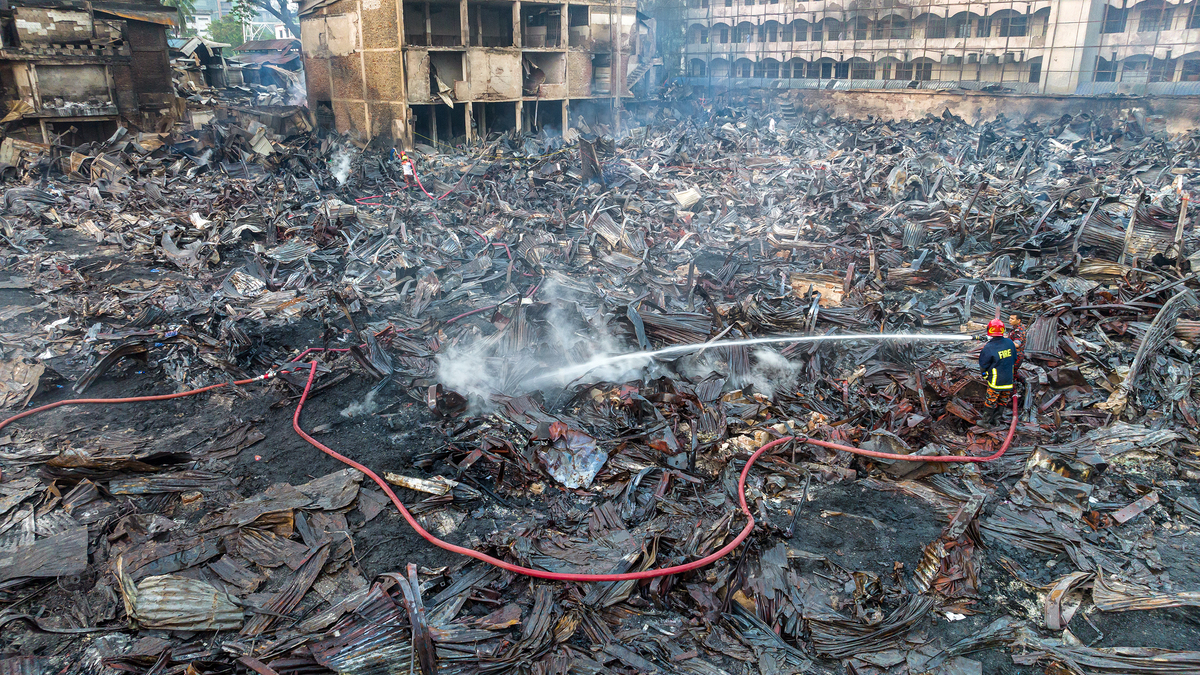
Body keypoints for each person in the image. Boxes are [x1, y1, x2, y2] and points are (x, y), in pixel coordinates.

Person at [979, 318, 1017, 427]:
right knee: (1003, 400)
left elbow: (983, 364)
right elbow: (1014, 358)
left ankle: (985, 422)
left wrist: (984, 375)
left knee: (990, 400)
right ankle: (996, 420)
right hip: (1008, 379)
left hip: (996, 381)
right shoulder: (1010, 342)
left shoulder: (989, 347)